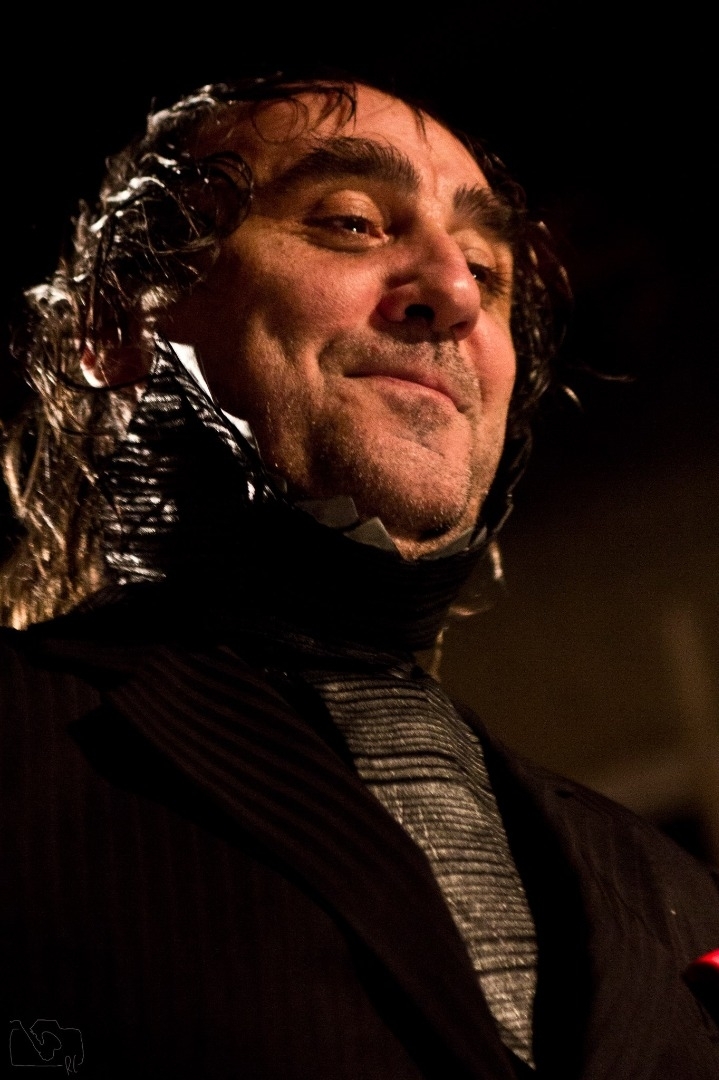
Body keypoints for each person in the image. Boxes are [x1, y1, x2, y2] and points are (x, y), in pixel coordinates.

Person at [1, 72, 717, 1080]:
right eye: (349, 222)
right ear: (119, 328)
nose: (456, 293)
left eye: (487, 269)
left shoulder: (672, 892)